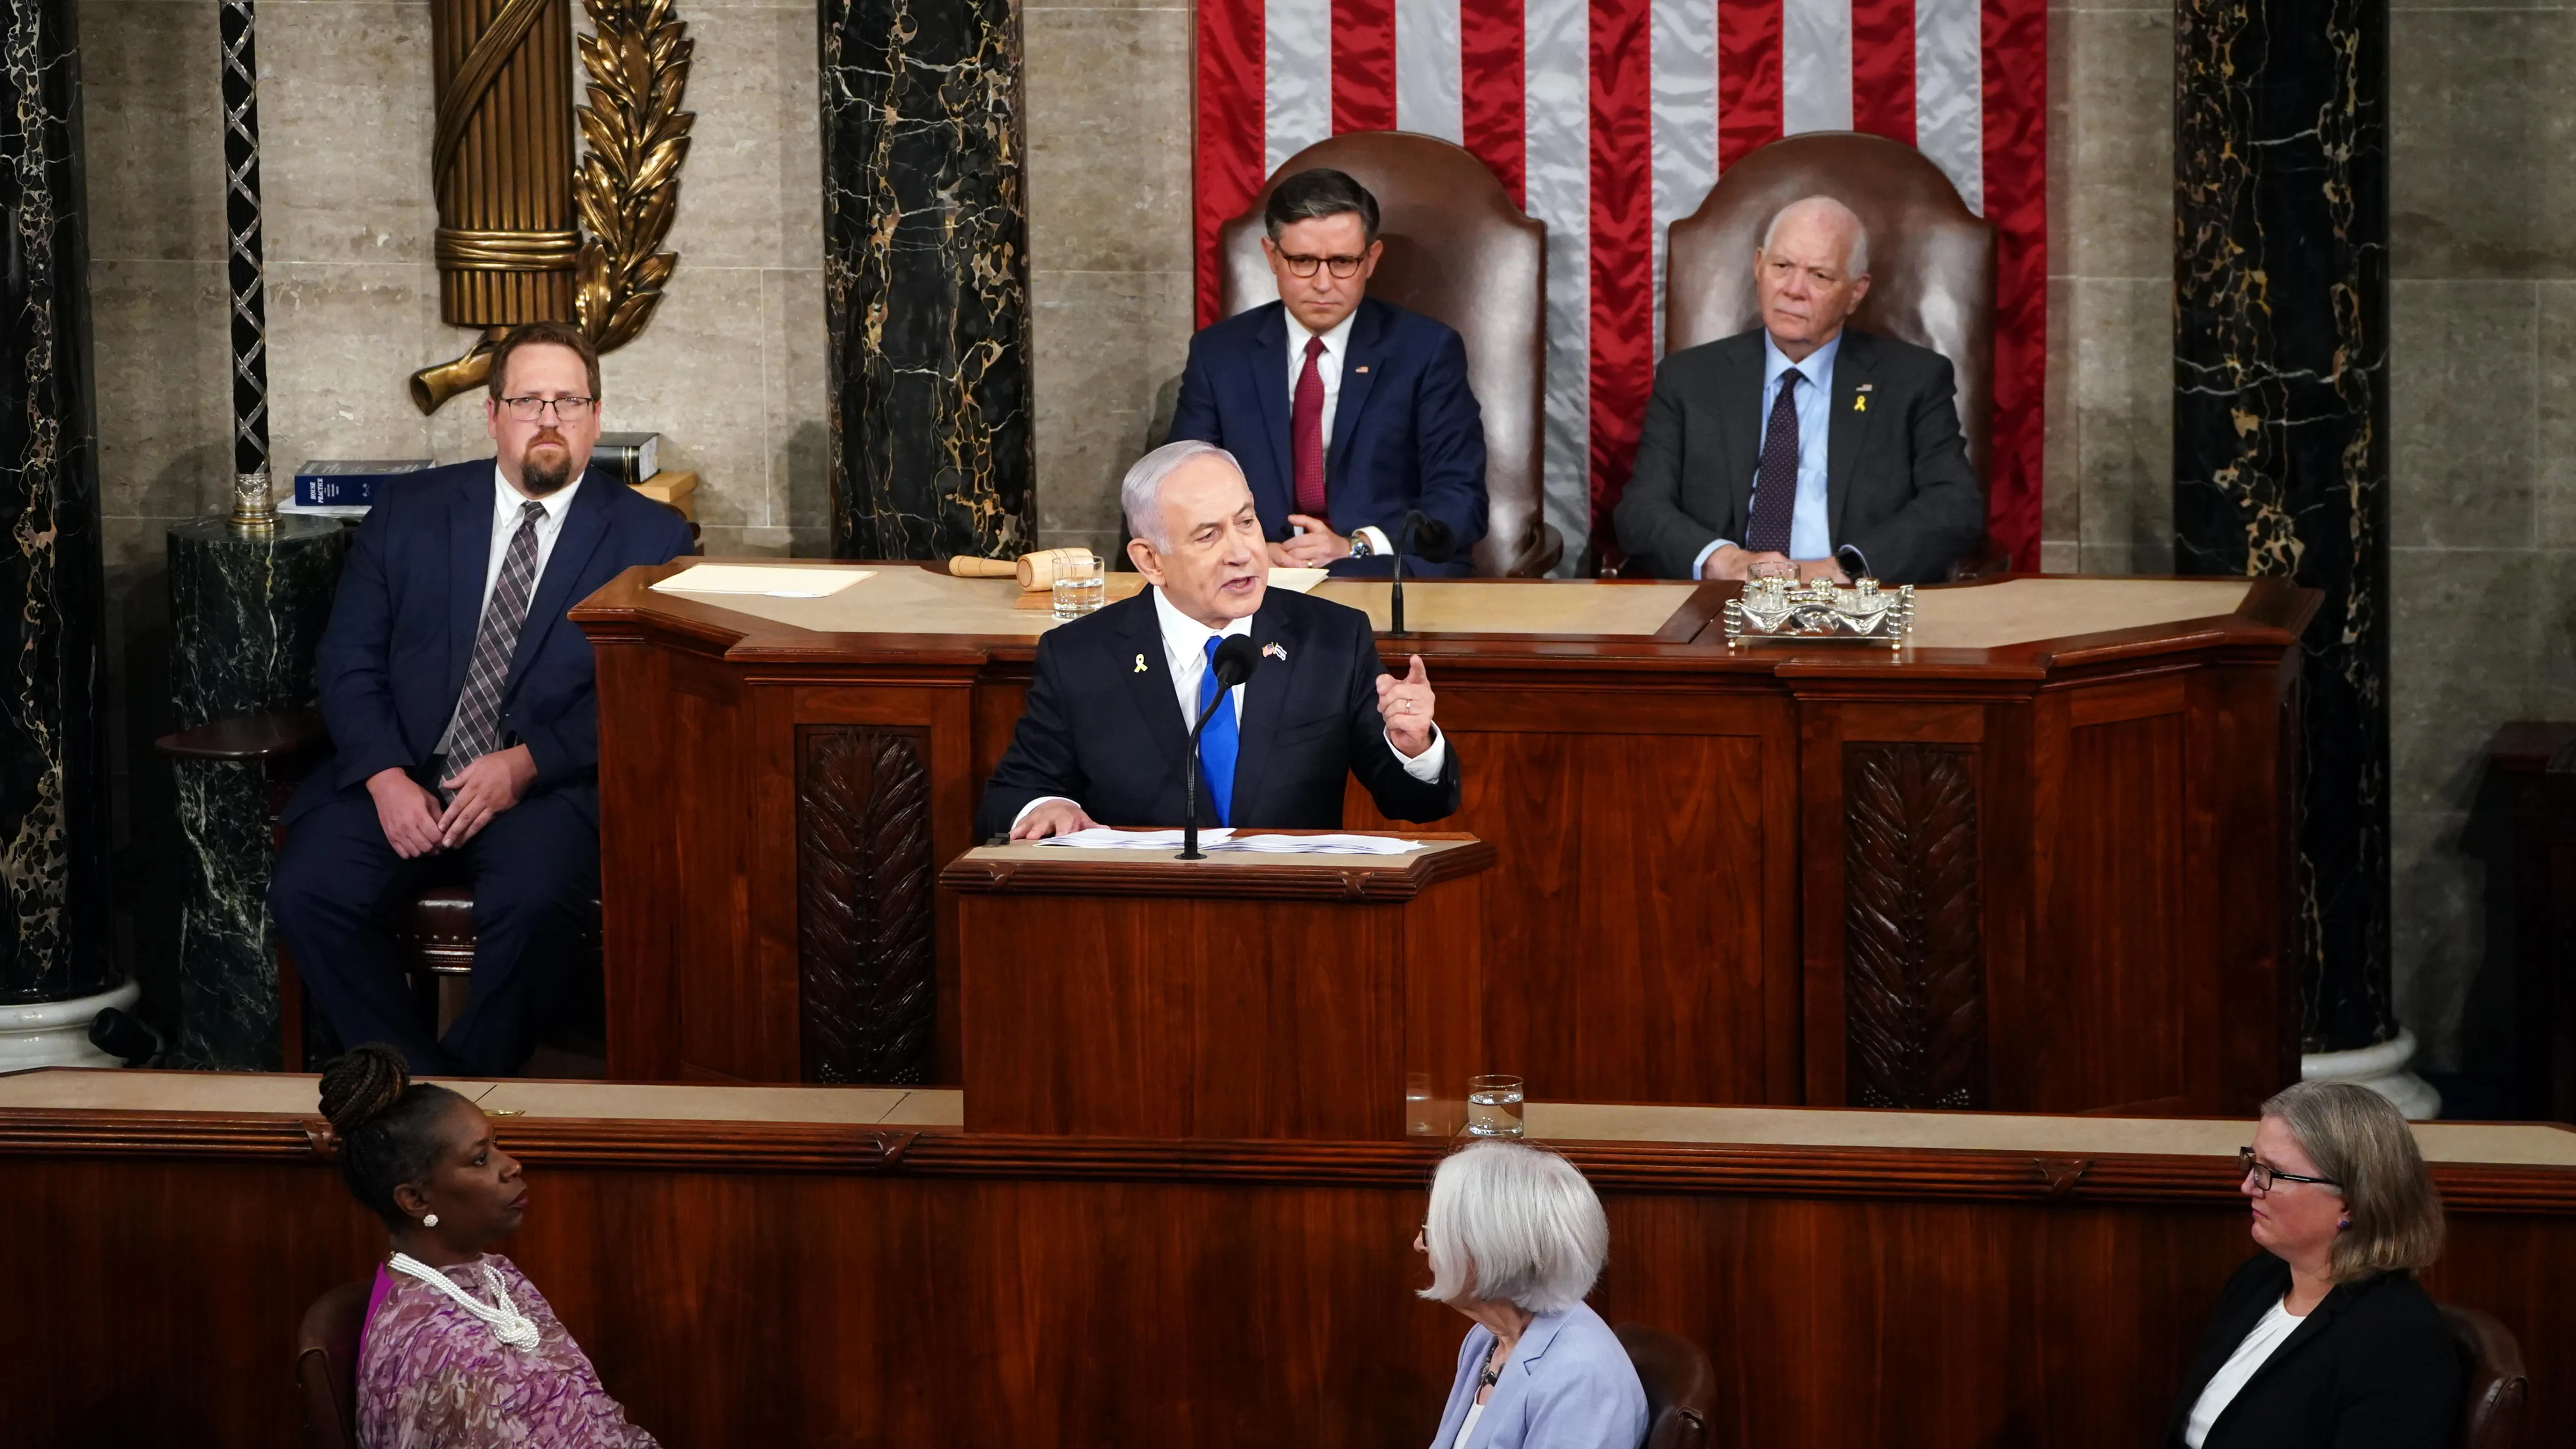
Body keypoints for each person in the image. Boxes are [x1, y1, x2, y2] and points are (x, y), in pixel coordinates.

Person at [269, 320, 697, 1076]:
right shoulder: (410, 512)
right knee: (310, 890)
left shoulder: (653, 538)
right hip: (405, 770)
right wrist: (385, 777)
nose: (549, 419)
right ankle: (419, 1092)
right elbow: (348, 660)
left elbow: (646, 693)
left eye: (569, 401)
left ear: (597, 417)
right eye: (529, 400)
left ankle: (466, 1095)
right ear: (492, 413)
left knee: (535, 907)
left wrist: (528, 765)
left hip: (544, 787)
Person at [976, 439, 1461, 840]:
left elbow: (1415, 804)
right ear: (1150, 560)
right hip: (1140, 926)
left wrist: (1416, 747)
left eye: (1246, 522)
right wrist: (1045, 807)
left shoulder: (1332, 639)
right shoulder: (1081, 656)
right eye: (1208, 535)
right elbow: (1012, 794)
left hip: (1294, 926)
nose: (1242, 552)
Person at [1613, 195, 1985, 586]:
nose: (1794, 289)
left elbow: (1953, 506)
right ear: (1759, 266)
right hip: (1721, 605)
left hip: (1854, 608)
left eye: (1820, 276)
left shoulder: (1912, 380)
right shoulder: (1689, 378)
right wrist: (1723, 561)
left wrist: (1840, 569)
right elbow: (1641, 509)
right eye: (1782, 266)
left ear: (1856, 291)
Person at [318, 1043, 660, 1448]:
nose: (511, 1165)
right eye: (480, 1159)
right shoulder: (439, 1348)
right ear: (416, 1199)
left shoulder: (493, 1276)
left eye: (496, 1144)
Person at [1167, 167, 1488, 578]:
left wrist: (1357, 546)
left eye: (1342, 262)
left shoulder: (1426, 351)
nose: (1323, 283)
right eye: (1303, 261)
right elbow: (1179, 486)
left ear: (1371, 259)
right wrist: (1251, 548)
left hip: (1381, 576)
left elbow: (1461, 499)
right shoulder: (1220, 354)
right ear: (1271, 256)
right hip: (1251, 576)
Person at [2163, 1081, 2461, 1448]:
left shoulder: (2398, 1338)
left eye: (2272, 1172)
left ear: (2350, 1203)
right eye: (2252, 1162)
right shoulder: (2257, 1281)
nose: (2248, 1186)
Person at [1416, 1140, 1649, 1449]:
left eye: (1433, 1232)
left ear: (1487, 1252)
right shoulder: (1484, 1341)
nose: (1419, 1244)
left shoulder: (1580, 1379)